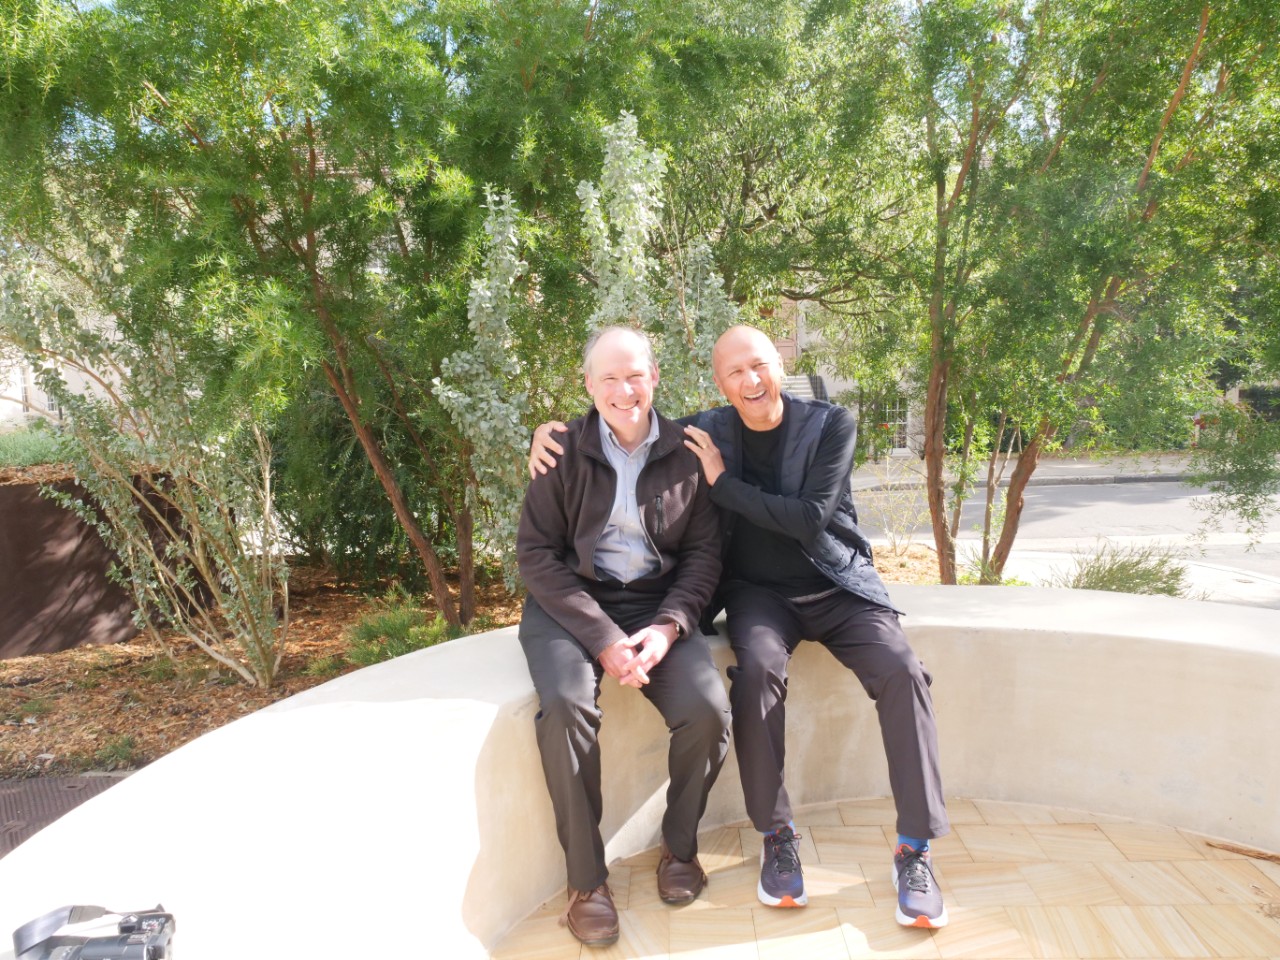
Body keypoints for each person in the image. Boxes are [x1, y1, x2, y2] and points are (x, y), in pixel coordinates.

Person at [530, 324, 951, 929]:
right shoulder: (707, 430)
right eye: (734, 372)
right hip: (758, 597)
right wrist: (549, 434)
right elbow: (620, 415)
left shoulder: (830, 424)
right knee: (753, 673)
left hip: (837, 585)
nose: (750, 381)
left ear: (778, 364)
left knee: (904, 671)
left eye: (758, 366)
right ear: (718, 382)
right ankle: (777, 836)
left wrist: (723, 485)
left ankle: (914, 846)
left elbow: (809, 521)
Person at [517, 325, 731, 947]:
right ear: (588, 385)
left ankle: (679, 849)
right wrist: (605, 636)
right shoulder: (559, 448)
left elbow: (703, 557)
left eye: (634, 374)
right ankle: (586, 882)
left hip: (658, 606)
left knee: (709, 712)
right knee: (564, 708)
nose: (623, 388)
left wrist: (667, 628)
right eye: (607, 377)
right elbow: (536, 555)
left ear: (655, 376)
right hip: (569, 607)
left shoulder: (689, 450)